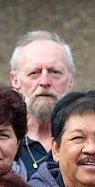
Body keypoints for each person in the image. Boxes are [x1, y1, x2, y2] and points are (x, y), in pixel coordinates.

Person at [9, 30, 75, 178]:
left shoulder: (89, 143)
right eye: (34, 73)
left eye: (55, 72)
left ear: (71, 80)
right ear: (15, 80)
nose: (44, 82)